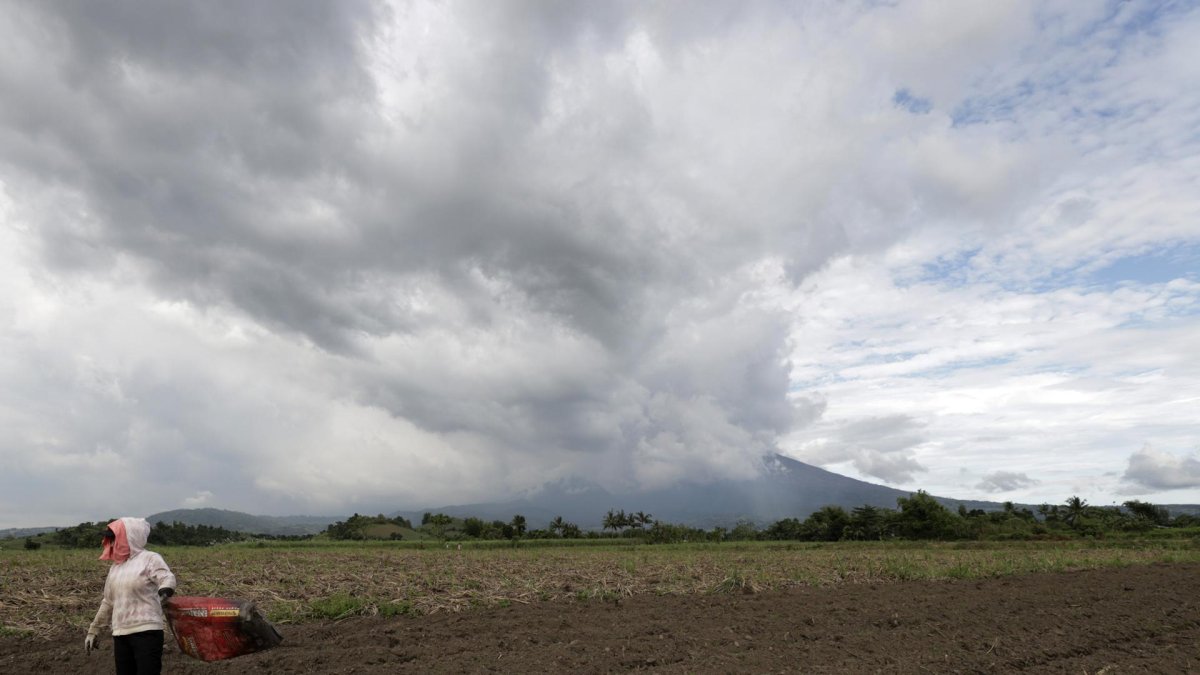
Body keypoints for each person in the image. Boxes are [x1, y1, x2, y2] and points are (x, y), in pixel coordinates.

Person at [84, 517, 177, 675]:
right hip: (121, 633)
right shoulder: (116, 568)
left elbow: (166, 577)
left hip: (146, 632)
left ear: (129, 537)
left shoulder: (149, 558)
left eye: (113, 538)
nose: (110, 543)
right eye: (109, 539)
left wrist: (165, 591)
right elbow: (108, 602)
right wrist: (93, 630)